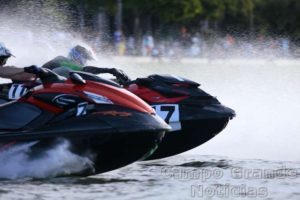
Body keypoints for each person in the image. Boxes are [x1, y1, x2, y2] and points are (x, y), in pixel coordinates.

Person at [43, 45, 131, 84]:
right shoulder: (62, 60)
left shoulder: (74, 70)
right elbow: (85, 70)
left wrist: (113, 81)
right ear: (77, 56)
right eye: (85, 59)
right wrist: (109, 70)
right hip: (43, 86)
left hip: (54, 88)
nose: (85, 61)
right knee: (67, 71)